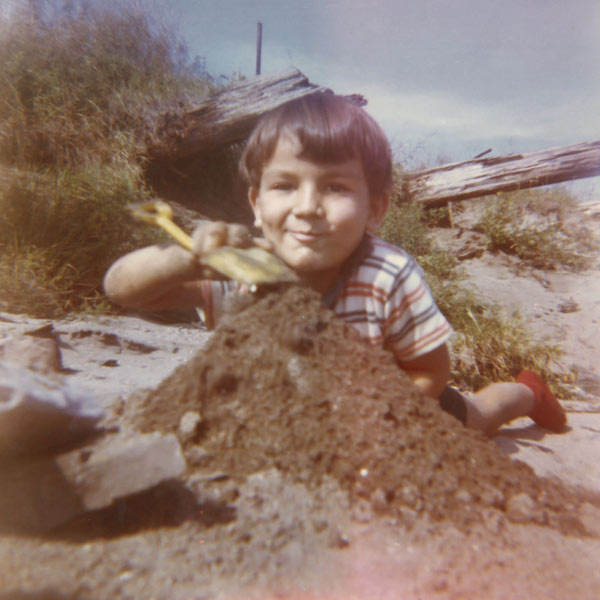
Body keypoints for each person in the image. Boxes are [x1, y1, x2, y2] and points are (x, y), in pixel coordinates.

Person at [103, 92, 566, 437]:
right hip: (277, 416)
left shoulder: (387, 274)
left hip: (387, 407)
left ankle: (529, 392)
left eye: (335, 188)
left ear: (376, 208)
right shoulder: (242, 265)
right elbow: (122, 289)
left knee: (479, 416)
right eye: (284, 185)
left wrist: (375, 414)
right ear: (256, 204)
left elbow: (430, 371)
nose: (307, 207)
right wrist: (187, 260)